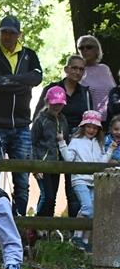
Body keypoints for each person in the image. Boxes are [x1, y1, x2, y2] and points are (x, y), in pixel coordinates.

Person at [0, 15, 43, 217]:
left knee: (22, 179)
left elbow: (36, 78)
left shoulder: (29, 55)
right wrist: (21, 82)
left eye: (12, 32)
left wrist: (10, 81)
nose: (8, 36)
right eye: (4, 31)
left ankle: (20, 220)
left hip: (22, 125)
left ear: (19, 34)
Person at [34, 55, 93, 218]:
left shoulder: (85, 93)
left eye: (81, 69)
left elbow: (90, 119)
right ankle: (42, 232)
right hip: (51, 147)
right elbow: (39, 116)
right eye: (74, 67)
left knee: (74, 193)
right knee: (49, 195)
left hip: (76, 147)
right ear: (66, 69)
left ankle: (73, 235)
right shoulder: (53, 89)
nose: (77, 72)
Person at [60, 111, 116, 252]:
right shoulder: (76, 141)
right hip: (79, 179)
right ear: (84, 126)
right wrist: (61, 142)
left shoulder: (98, 143)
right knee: (88, 208)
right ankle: (77, 237)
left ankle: (83, 241)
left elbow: (101, 162)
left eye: (95, 128)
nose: (92, 130)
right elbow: (68, 158)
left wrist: (110, 150)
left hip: (94, 180)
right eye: (89, 126)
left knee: (92, 210)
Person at [30, 86, 71, 218]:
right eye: (54, 103)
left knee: (52, 198)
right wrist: (35, 167)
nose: (57, 107)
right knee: (47, 196)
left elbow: (66, 140)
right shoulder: (40, 120)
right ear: (47, 102)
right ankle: (37, 225)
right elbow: (32, 143)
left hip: (57, 164)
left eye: (60, 104)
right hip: (43, 164)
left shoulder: (63, 119)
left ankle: (47, 229)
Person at [77, 36, 116, 112]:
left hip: (111, 115)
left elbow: (114, 91)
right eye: (81, 48)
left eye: (89, 47)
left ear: (96, 49)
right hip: (91, 119)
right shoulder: (78, 70)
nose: (85, 50)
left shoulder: (104, 68)